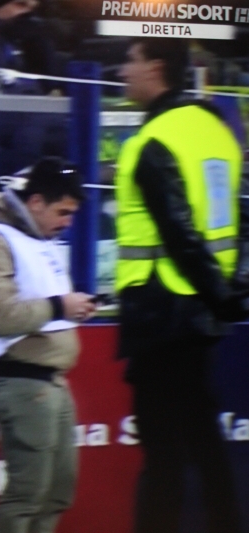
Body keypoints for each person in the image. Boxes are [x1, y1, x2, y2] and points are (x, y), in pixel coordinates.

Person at [115, 37, 248, 533]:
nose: (122, 70)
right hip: (200, 319)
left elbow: (180, 235)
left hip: (162, 315)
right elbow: (241, 218)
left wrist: (221, 296)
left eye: (129, 60)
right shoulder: (216, 131)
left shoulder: (154, 140)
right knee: (206, 443)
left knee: (164, 454)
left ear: (156, 67)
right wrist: (231, 293)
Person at [0, 157, 94, 533]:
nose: (68, 222)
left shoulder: (38, 240)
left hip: (51, 383)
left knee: (56, 494)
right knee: (26, 496)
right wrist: (59, 306)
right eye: (63, 212)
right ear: (36, 202)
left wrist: (70, 308)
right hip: (24, 384)